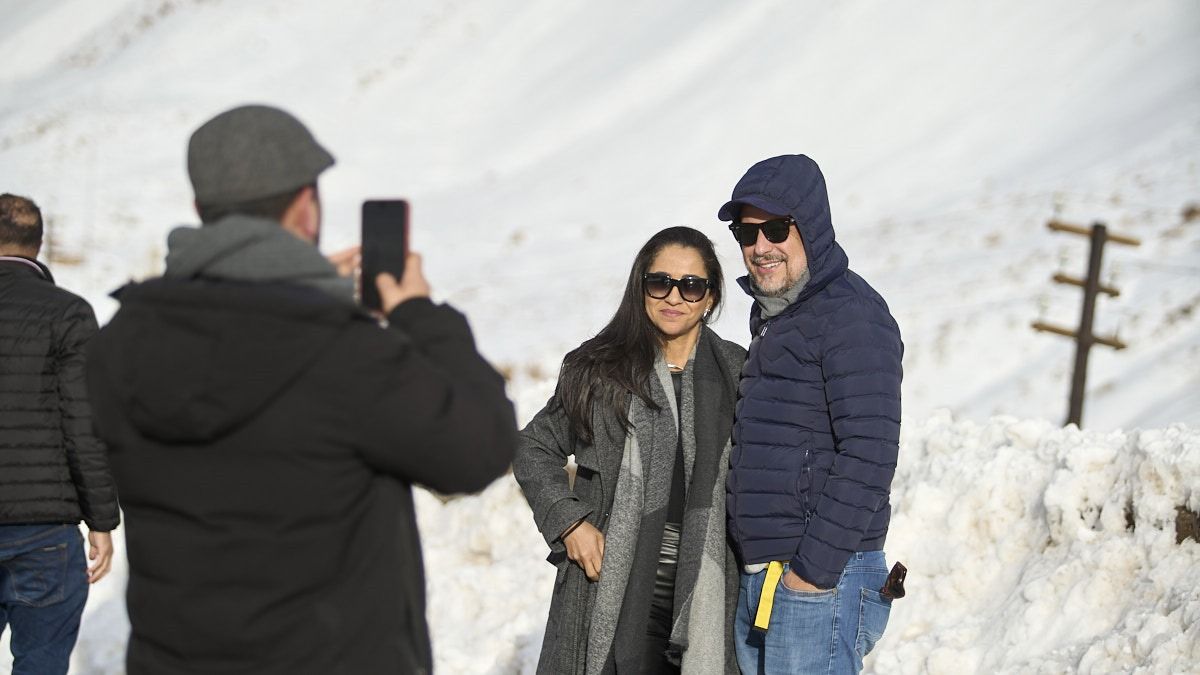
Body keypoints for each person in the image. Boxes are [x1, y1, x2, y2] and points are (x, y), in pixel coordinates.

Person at [84, 105, 517, 674]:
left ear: (201, 211)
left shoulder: (119, 346)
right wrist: (418, 313)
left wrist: (305, 294)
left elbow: (234, 352)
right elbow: (477, 447)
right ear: (306, 206)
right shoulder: (344, 351)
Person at [514, 226, 745, 674]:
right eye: (661, 282)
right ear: (641, 287)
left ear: (711, 297)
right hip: (611, 591)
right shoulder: (599, 371)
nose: (674, 297)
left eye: (692, 286)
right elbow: (532, 446)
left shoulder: (740, 373)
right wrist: (570, 523)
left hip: (706, 597)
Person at [719, 155, 903, 674]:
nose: (760, 246)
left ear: (812, 227)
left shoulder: (852, 315)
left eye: (776, 228)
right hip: (771, 575)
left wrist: (812, 575)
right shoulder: (780, 318)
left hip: (819, 576)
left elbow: (869, 453)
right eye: (746, 233)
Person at [0, 193, 119, 674]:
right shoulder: (68, 313)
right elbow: (83, 423)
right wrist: (103, 520)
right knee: (41, 665)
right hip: (45, 532)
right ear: (39, 244)